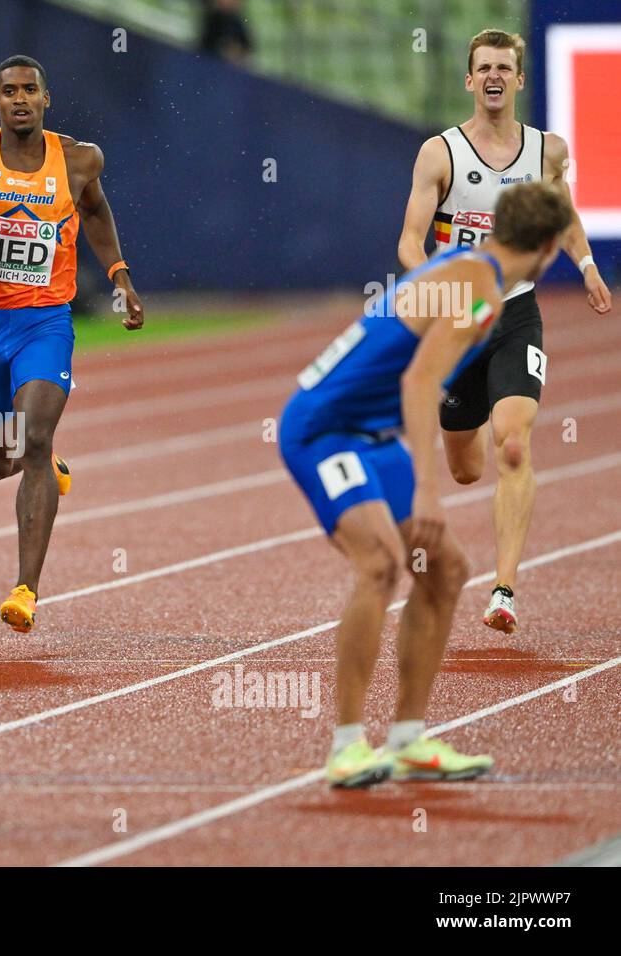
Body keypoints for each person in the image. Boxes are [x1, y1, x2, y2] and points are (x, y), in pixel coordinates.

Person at [281, 181, 572, 788]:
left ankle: (409, 740)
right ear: (548, 248)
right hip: (324, 430)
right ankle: (346, 747)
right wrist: (427, 490)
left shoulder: (468, 268)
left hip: (371, 432)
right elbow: (421, 382)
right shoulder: (481, 290)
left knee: (445, 570)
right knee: (382, 565)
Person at [0, 54, 144, 634]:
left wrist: (119, 274)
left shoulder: (79, 159)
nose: (20, 99)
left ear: (47, 99)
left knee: (35, 437)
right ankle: (41, 464)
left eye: (30, 90)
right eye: (9, 91)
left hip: (45, 323)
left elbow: (94, 210)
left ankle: (26, 589)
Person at [396, 28, 612, 634]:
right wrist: (441, 280)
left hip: (516, 312)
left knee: (513, 444)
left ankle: (504, 589)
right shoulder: (439, 154)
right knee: (465, 467)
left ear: (519, 79)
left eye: (504, 68)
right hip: (461, 322)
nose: (493, 76)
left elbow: (563, 216)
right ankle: (469, 423)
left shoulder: (546, 151)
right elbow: (409, 241)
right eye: (483, 67)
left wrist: (588, 265)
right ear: (469, 80)